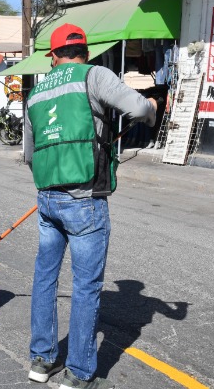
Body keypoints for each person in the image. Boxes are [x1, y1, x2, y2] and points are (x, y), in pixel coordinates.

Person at [23, 23, 157, 389]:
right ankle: (79, 374)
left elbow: (29, 155)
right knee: (85, 287)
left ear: (53, 55)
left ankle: (42, 360)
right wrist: (151, 107)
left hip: (47, 198)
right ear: (85, 52)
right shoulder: (94, 75)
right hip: (85, 200)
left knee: (45, 278)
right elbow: (136, 107)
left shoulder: (36, 93)